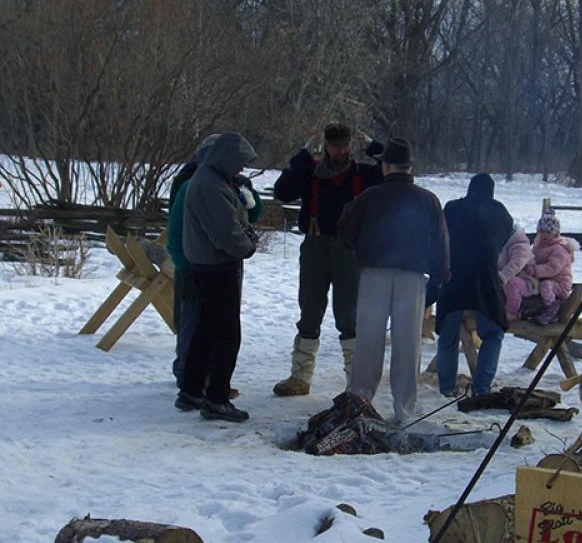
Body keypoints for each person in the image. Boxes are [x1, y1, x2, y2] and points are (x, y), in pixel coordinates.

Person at [338, 138, 449, 423]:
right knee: (408, 345)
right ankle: (405, 410)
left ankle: (360, 403)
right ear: (410, 167)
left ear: (385, 166)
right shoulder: (428, 199)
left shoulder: (370, 196)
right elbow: (440, 242)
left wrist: (361, 249)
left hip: (374, 274)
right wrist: (438, 277)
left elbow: (345, 231)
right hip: (412, 277)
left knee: (368, 343)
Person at [271, 123, 384, 396]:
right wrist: (302, 155)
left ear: (351, 146)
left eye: (344, 145)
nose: (339, 151)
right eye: (334, 146)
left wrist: (374, 146)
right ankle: (300, 377)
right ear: (325, 146)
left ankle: (355, 383)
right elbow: (282, 191)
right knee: (309, 311)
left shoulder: (364, 174)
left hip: (350, 251)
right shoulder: (310, 172)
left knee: (349, 316)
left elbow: (397, 170)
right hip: (315, 246)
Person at [168, 135, 263, 391]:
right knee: (225, 335)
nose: (241, 169)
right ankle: (215, 396)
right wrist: (248, 245)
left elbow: (244, 218)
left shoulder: (216, 182)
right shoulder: (210, 186)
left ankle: (192, 388)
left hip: (207, 265)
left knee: (205, 330)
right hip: (213, 268)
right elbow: (227, 233)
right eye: (239, 162)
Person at [434, 173, 513, 397]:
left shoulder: (452, 207)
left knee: (448, 336)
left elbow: (441, 235)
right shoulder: (501, 212)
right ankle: (482, 387)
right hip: (485, 278)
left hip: (454, 274)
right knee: (493, 333)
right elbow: (504, 237)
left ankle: (447, 387)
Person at [519, 208, 578, 325]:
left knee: (546, 286)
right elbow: (533, 256)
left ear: (555, 233)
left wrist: (534, 270)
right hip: (544, 279)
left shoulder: (560, 248)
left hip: (559, 284)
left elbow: (552, 269)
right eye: (542, 231)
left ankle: (552, 309)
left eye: (548, 232)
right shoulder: (539, 244)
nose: (544, 235)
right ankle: (530, 308)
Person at [499, 222, 534, 322]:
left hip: (526, 280)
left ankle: (512, 312)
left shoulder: (519, 243)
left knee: (512, 284)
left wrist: (503, 276)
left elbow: (517, 263)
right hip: (503, 279)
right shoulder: (500, 242)